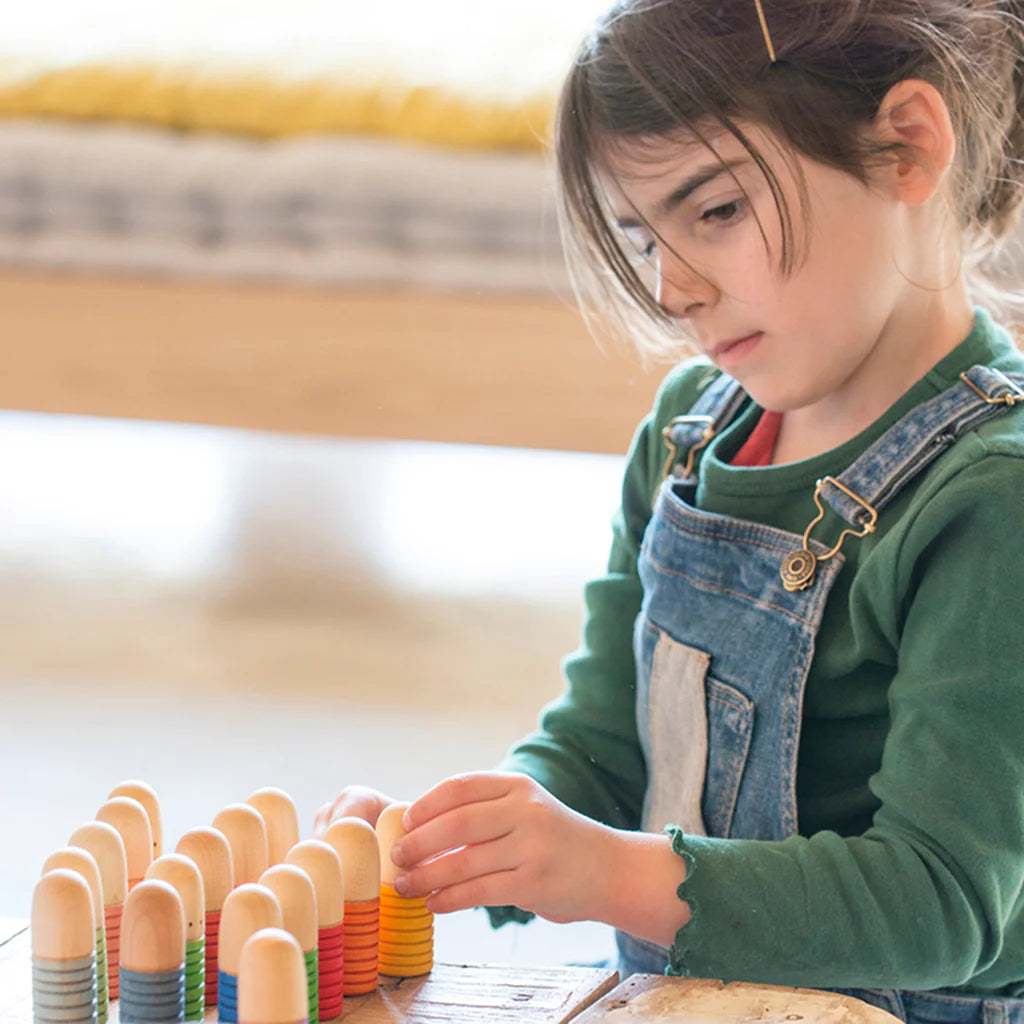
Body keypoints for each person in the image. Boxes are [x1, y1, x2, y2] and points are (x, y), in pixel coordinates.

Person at [316, 1, 1024, 1018]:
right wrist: (468, 835)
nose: (673, 287)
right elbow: (605, 742)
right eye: (641, 239)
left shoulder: (991, 492)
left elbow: (943, 900)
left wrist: (603, 872)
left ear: (905, 146)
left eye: (717, 211)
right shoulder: (689, 435)